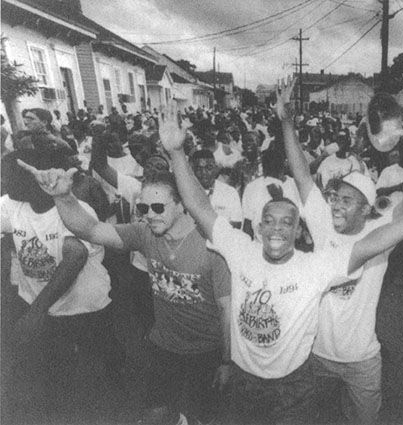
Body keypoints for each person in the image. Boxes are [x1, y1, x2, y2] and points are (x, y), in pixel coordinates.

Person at [160, 112, 403, 424]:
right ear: (258, 227)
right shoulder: (247, 250)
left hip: (351, 361)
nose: (337, 205)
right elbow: (202, 206)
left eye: (287, 221)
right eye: (269, 221)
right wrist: (177, 152)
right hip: (306, 359)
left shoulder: (324, 262)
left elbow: (385, 228)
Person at [279, 81, 403, 423]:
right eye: (335, 197)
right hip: (316, 355)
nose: (336, 206)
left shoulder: (378, 233)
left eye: (347, 200)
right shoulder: (324, 220)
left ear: (367, 209)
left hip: (362, 361)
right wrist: (285, 122)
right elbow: (300, 175)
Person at [19, 164, 232, 425]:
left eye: (158, 207)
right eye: (143, 208)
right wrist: (63, 197)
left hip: (206, 351)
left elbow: (226, 310)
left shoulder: (212, 247)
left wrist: (227, 361)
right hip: (163, 345)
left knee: (205, 416)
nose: (149, 215)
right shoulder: (145, 234)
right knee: (157, 414)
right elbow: (90, 229)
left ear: (182, 206)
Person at [1, 148, 123, 423]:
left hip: (85, 304)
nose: (3, 183)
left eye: (8, 177)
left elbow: (75, 257)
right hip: (46, 307)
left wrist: (34, 313)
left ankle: (120, 402)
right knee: (57, 370)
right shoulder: (11, 204)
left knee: (103, 360)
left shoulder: (73, 209)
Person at [190, 149, 243, 227]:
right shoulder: (186, 192)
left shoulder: (230, 192)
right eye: (199, 168)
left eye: (209, 167)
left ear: (215, 168)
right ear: (192, 170)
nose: (204, 172)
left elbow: (236, 225)